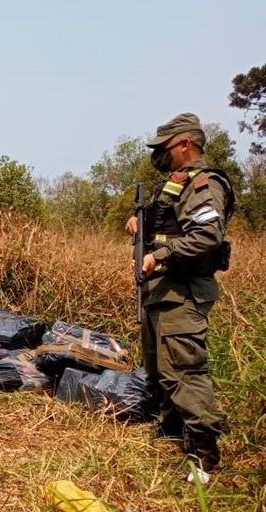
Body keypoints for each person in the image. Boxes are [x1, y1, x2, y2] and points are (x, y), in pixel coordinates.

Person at [125, 112, 234, 476]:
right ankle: (172, 433)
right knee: (160, 370)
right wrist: (138, 223)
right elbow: (165, 224)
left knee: (184, 372)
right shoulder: (175, 184)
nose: (159, 155)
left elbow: (206, 236)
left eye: (164, 147)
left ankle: (204, 454)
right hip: (161, 292)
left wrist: (162, 254)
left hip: (183, 292)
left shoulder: (204, 183)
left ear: (185, 144)